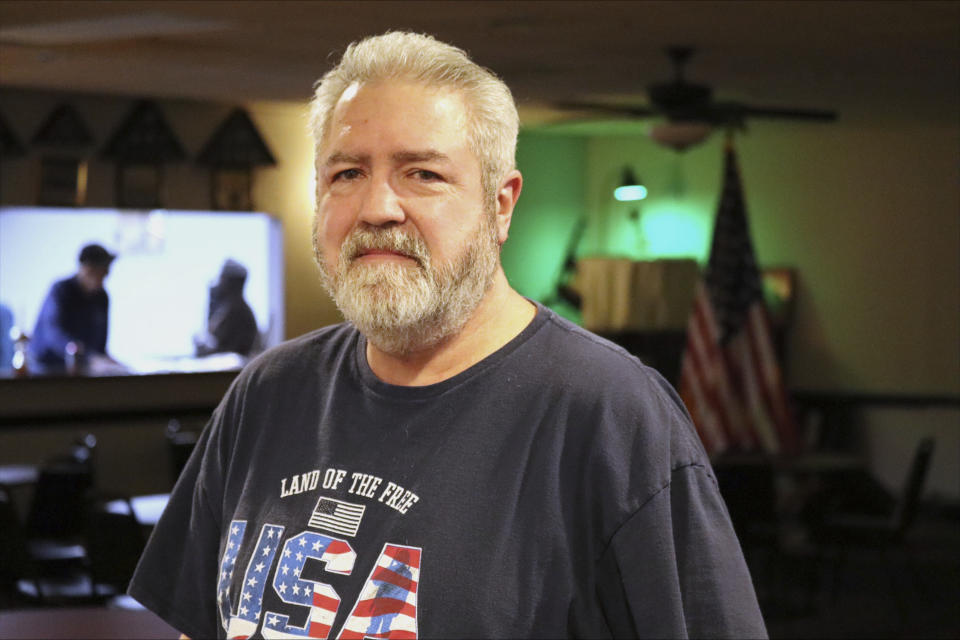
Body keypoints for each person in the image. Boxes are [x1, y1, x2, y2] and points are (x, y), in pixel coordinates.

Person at [129, 32, 767, 639]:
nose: (378, 207)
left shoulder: (612, 415)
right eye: (347, 173)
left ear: (501, 205)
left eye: (422, 173)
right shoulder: (268, 394)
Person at [29, 243, 116, 372]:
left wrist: (103, 359)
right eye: (100, 272)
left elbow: (101, 340)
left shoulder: (102, 297)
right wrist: (87, 357)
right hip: (48, 365)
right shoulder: (61, 290)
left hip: (82, 366)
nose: (103, 278)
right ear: (86, 269)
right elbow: (53, 333)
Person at [194, 259, 260, 357]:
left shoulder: (239, 312)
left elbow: (228, 352)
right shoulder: (228, 309)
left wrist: (204, 351)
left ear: (231, 283)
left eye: (222, 279)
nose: (219, 283)